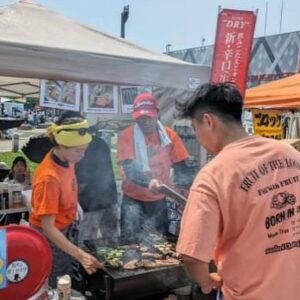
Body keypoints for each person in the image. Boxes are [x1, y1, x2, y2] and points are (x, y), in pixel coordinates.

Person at [175, 82, 300, 300]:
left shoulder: (213, 176)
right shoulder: (290, 154)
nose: (198, 139)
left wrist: (206, 281)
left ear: (208, 122)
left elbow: (192, 256)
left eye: (195, 130)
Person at [29, 112, 102, 288]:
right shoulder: (49, 178)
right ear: (62, 145)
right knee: (58, 283)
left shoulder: (67, 158)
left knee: (68, 276)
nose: (83, 155)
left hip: (66, 228)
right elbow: (48, 227)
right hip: (51, 237)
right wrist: (80, 254)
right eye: (79, 150)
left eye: (85, 149)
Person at [117, 93, 191, 242]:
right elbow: (129, 168)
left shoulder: (170, 136)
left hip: (159, 201)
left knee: (160, 242)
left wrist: (186, 190)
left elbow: (181, 167)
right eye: (140, 118)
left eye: (148, 117)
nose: (145, 122)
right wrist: (148, 182)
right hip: (133, 200)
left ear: (157, 113)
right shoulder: (127, 135)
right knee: (129, 242)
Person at [76, 132, 118, 244]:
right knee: (112, 241)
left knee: (87, 242)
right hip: (110, 199)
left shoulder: (79, 148)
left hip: (90, 204)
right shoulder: (100, 142)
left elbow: (80, 185)